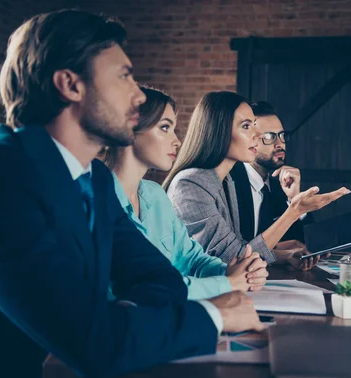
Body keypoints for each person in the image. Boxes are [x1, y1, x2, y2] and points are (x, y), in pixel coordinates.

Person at [0, 10, 262, 378]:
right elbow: (91, 340)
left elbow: (157, 281)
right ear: (70, 85)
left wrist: (121, 315)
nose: (138, 94)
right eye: (124, 76)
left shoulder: (93, 178)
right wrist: (216, 314)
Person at [101, 85, 268, 300]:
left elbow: (191, 259)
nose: (177, 140)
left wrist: (233, 272)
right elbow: (146, 287)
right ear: (128, 130)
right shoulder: (98, 198)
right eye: (164, 127)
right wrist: (228, 282)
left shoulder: (155, 195)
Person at [164, 91, 350, 270]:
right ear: (219, 131)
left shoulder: (225, 181)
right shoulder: (190, 185)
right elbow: (233, 259)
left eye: (254, 125)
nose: (257, 135)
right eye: (246, 126)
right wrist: (295, 210)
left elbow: (240, 247)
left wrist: (282, 256)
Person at [229, 101, 313, 244]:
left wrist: (295, 200)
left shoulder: (282, 185)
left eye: (281, 135)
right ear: (250, 140)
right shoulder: (228, 180)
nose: (280, 144)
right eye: (269, 137)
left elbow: (306, 243)